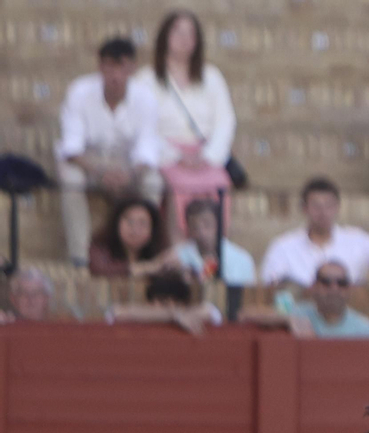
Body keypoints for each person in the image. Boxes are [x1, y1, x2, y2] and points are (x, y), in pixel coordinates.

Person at [56, 37, 164, 268]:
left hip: (127, 164)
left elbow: (148, 149)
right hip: (89, 162)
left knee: (154, 181)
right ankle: (80, 256)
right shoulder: (79, 91)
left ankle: (145, 252)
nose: (115, 76)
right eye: (109, 67)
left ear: (132, 68)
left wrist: (129, 174)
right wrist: (100, 172)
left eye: (122, 67)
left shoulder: (145, 98)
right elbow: (71, 147)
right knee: (70, 178)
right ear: (100, 67)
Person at [134, 10, 236, 235]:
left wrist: (207, 156)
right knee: (177, 188)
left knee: (219, 185)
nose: (184, 39)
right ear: (165, 37)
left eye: (191, 34)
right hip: (167, 155)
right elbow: (143, 127)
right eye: (178, 32)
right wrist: (176, 155)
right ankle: (178, 246)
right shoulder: (146, 79)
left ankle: (213, 247)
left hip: (204, 156)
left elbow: (225, 121)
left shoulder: (212, 76)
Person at [259, 178, 369, 287]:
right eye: (316, 206)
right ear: (304, 208)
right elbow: (271, 284)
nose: (323, 212)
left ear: (337, 207)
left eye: (329, 205)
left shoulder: (356, 240)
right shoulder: (283, 246)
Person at [250, 261, 369, 339]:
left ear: (349, 289)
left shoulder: (364, 329)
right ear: (313, 287)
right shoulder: (298, 313)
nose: (334, 289)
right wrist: (286, 319)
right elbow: (246, 314)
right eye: (326, 282)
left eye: (341, 283)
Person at [107, 267, 222, 335]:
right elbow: (116, 313)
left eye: (167, 303)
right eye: (161, 302)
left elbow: (210, 312)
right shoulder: (140, 314)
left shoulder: (196, 312)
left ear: (182, 304)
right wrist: (175, 315)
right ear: (150, 302)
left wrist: (177, 315)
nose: (162, 307)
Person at [173, 197, 255, 286]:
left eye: (207, 224)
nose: (201, 232)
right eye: (194, 227)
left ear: (219, 224)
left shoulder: (241, 260)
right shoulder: (179, 258)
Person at [88, 197, 176, 278]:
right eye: (130, 222)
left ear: (153, 229)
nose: (135, 229)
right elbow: (99, 269)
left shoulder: (160, 251)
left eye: (142, 223)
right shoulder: (100, 246)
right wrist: (144, 268)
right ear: (116, 222)